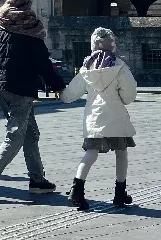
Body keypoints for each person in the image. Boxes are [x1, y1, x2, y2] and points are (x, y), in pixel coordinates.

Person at [0, 0, 65, 199]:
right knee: (15, 134)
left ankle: (37, 180)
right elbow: (42, 61)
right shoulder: (30, 24)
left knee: (30, 133)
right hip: (21, 86)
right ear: (29, 1)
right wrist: (57, 85)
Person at [61, 27, 137, 210]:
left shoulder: (87, 68)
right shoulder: (120, 67)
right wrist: (122, 99)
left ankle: (77, 189)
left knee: (91, 153)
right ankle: (120, 193)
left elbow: (71, 93)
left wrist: (61, 95)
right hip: (116, 118)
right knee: (121, 152)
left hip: (94, 118)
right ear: (113, 45)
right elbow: (129, 93)